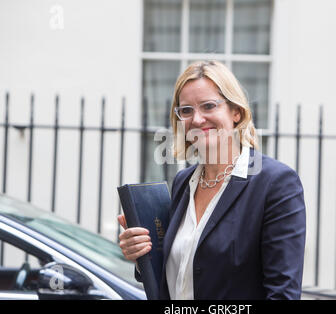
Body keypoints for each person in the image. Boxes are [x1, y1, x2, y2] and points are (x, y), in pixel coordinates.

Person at [118, 60, 306, 300]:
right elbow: (179, 274)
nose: (197, 120)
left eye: (208, 106)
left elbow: (283, 293)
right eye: (186, 110)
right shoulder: (183, 182)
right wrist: (141, 255)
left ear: (236, 112)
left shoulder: (276, 184)